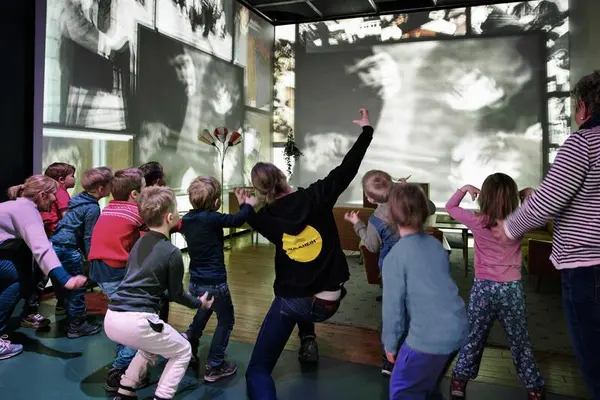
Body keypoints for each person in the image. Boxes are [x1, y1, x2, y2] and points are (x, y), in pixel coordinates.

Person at [244, 109, 373, 399]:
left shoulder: (265, 219)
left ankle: (307, 338)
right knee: (301, 285)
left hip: (296, 302)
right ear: (282, 175)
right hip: (330, 300)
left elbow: (250, 216)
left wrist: (247, 207)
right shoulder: (317, 196)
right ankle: (308, 339)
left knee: (257, 370)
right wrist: (366, 131)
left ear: (261, 190)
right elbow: (348, 167)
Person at [493, 71, 600, 399]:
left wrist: (508, 228)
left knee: (595, 356)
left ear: (583, 107)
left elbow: (548, 201)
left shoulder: (583, 142)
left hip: (589, 268)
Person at [104, 186, 214, 400]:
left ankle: (125, 390)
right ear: (170, 217)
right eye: (177, 210)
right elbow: (176, 294)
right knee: (183, 350)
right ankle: (163, 396)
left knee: (151, 345)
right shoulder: (173, 253)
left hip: (112, 317)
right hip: (137, 321)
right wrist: (199, 303)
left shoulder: (139, 243)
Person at [445, 175, 545, 400]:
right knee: (520, 339)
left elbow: (450, 207)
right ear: (512, 198)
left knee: (474, 335)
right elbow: (541, 212)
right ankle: (534, 387)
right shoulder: (520, 220)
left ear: (485, 197)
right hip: (511, 289)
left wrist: (465, 188)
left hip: (483, 288)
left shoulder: (477, 220)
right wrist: (530, 194)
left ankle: (459, 380)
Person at [344, 170, 437, 377]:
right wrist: (410, 191)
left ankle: (389, 361)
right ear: (394, 185)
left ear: (370, 199)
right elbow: (430, 207)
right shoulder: (412, 204)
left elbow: (371, 246)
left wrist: (358, 224)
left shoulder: (376, 219)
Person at [383, 183, 468, 399]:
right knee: (427, 386)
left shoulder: (394, 257)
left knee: (402, 390)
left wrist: (390, 344)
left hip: (428, 338)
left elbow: (393, 310)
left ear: (391, 215)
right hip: (458, 328)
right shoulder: (435, 244)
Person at [0, 175, 88, 359]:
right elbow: (42, 248)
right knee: (18, 280)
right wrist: (65, 279)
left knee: (17, 277)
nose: (56, 199)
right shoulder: (27, 211)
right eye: (53, 194)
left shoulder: (16, 205)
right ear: (42, 195)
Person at [180, 177, 256, 382]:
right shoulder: (212, 218)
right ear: (216, 202)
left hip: (195, 282)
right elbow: (238, 220)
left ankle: (189, 344)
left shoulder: (187, 219)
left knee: (204, 311)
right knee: (226, 320)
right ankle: (215, 365)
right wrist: (247, 204)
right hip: (214, 283)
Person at [87, 168, 147, 392]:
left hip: (100, 269)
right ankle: (120, 370)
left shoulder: (109, 209)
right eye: (144, 189)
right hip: (115, 270)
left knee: (123, 314)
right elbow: (156, 225)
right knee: (137, 321)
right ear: (134, 194)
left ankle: (123, 352)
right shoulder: (135, 212)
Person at [51, 167, 113, 338]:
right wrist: (92, 258)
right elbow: (88, 236)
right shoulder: (92, 208)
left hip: (56, 244)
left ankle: (71, 319)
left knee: (66, 287)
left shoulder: (79, 199)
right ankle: (76, 326)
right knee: (77, 289)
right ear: (101, 188)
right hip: (68, 248)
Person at [21, 162, 76, 329]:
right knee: (42, 277)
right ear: (61, 179)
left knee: (45, 275)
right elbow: (67, 219)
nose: (75, 179)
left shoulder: (53, 194)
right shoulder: (61, 193)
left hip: (47, 238)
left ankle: (58, 305)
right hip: (52, 238)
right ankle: (29, 313)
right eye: (72, 176)